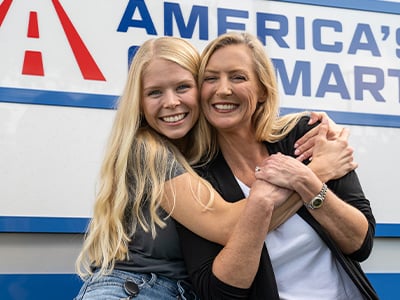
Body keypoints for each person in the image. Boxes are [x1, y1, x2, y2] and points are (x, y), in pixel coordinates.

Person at [73, 36, 357, 300]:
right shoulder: (148, 150)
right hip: (135, 290)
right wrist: (318, 172)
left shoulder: (196, 155)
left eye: (182, 87)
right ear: (139, 102)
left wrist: (313, 124)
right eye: (154, 92)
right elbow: (229, 227)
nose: (171, 102)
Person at [176, 32, 378, 300]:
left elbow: (360, 244)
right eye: (210, 78)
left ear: (262, 90)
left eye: (238, 77)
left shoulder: (306, 135)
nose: (223, 89)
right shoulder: (194, 176)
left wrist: (307, 182)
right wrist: (317, 172)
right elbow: (217, 292)